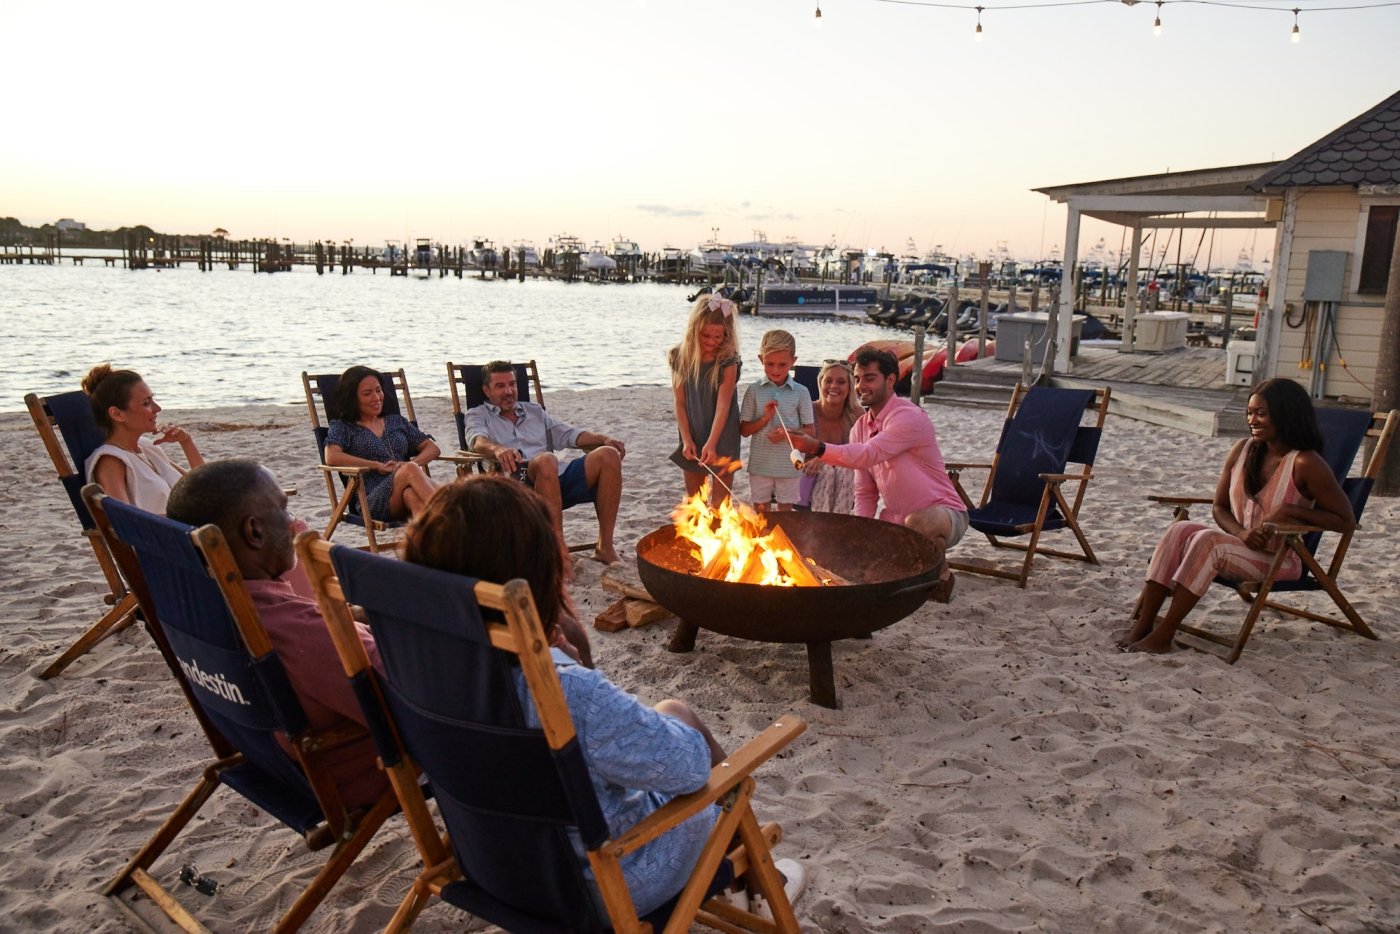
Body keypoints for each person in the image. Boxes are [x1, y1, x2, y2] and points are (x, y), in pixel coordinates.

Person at [401, 476, 802, 917]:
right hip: (599, 886)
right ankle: (765, 884)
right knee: (700, 746)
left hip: (494, 866)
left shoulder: (418, 672)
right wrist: (572, 668)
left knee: (670, 712)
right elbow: (688, 769)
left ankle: (748, 884)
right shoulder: (562, 689)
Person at [165, 459, 388, 810]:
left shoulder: (202, 610)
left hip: (271, 760)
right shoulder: (299, 631)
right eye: (284, 509)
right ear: (254, 532)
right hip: (359, 773)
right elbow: (420, 706)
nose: (294, 523)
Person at [1118, 378, 1355, 654]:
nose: (1252, 419)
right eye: (1249, 412)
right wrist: (1242, 533)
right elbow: (1219, 507)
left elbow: (1346, 521)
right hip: (1240, 546)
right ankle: (1144, 625)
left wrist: (1292, 511)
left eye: (1261, 413)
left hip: (1280, 559)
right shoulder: (1242, 450)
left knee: (1208, 540)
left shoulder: (1306, 463)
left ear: (1286, 414)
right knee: (1178, 530)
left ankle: (1164, 633)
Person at [780, 347, 966, 602]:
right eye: (857, 379)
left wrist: (817, 447)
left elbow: (869, 453)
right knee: (865, 558)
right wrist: (861, 531)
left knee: (918, 523)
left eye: (869, 378)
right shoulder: (860, 427)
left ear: (890, 380)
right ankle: (916, 567)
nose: (860, 386)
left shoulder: (908, 416)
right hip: (895, 520)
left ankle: (942, 575)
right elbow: (866, 491)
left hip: (945, 514)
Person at [464, 361, 625, 564]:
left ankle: (605, 547)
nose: (509, 391)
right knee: (548, 459)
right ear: (486, 390)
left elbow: (569, 434)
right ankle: (556, 551)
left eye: (512, 384)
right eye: (500, 386)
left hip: (553, 477)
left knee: (608, 455)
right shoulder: (477, 415)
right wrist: (498, 449)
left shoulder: (534, 411)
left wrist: (603, 439)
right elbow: (477, 441)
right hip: (515, 482)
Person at [82, 364, 204, 514]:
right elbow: (124, 521)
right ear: (117, 414)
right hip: (171, 534)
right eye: (146, 403)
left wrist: (186, 442)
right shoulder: (111, 461)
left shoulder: (147, 447)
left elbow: (203, 486)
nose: (157, 408)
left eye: (153, 400)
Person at [324, 365, 440, 522]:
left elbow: (432, 448)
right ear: (352, 398)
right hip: (371, 499)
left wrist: (409, 464)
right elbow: (332, 456)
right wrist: (376, 465)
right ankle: (449, 515)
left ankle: (429, 543)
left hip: (405, 491)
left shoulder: (396, 421)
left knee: (411, 496)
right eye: (367, 393)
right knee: (411, 471)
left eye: (378, 390)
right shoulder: (342, 427)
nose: (377, 398)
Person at [669, 292, 742, 504]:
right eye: (706, 336)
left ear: (727, 334)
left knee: (721, 506)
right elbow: (680, 403)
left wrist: (712, 443)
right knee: (696, 503)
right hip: (692, 432)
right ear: (694, 330)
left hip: (724, 434)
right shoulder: (679, 357)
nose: (712, 342)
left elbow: (723, 406)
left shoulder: (728, 361)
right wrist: (687, 439)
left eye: (718, 337)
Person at [740, 330, 814, 512]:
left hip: (789, 465)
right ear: (760, 359)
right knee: (760, 511)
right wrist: (766, 418)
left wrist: (786, 435)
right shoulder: (754, 390)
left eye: (782, 364)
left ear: (793, 361)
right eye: (769, 364)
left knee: (785, 511)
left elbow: (810, 432)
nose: (775, 370)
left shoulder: (801, 392)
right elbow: (744, 430)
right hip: (760, 463)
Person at [800, 359, 863, 514]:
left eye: (841, 382)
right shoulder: (808, 411)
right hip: (808, 476)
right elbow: (795, 449)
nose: (834, 386)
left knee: (845, 471)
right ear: (820, 384)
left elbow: (862, 452)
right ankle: (820, 524)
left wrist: (826, 457)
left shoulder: (857, 414)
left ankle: (837, 524)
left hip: (843, 477)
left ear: (849, 388)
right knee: (827, 472)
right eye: (828, 381)